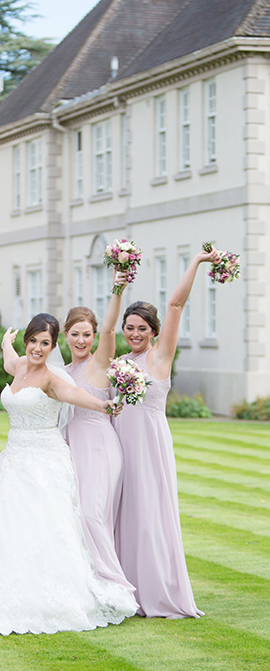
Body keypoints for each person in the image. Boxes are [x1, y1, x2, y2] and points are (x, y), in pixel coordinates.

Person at [0, 313, 138, 635]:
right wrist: (4, 344)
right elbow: (11, 360)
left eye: (45, 343)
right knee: (2, 528)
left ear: (53, 347)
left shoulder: (52, 378)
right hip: (13, 459)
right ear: (26, 341)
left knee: (44, 529)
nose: (38, 349)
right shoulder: (19, 367)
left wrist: (103, 406)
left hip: (45, 460)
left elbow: (75, 394)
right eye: (33, 341)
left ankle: (51, 599)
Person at [114, 245, 221, 618]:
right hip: (119, 443)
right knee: (122, 511)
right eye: (129, 327)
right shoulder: (118, 362)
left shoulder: (160, 356)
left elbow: (175, 305)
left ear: (154, 332)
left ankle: (157, 590)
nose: (134, 333)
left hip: (149, 441)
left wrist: (197, 261)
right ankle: (125, 589)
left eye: (142, 328)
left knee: (149, 512)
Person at [64, 271, 134, 593]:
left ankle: (116, 585)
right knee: (77, 515)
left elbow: (109, 327)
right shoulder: (61, 373)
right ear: (65, 335)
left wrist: (118, 286)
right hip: (71, 447)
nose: (81, 340)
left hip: (100, 446)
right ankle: (89, 586)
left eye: (87, 335)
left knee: (93, 514)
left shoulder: (100, 363)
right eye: (76, 334)